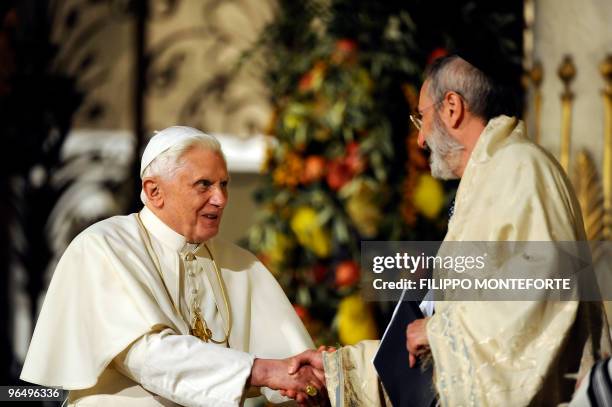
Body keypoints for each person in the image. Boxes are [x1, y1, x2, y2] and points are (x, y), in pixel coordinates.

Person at [288, 55, 611, 406]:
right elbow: (429, 326)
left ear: (452, 107)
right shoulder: (487, 179)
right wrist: (339, 372)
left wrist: (438, 332)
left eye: (421, 119)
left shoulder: (520, 167)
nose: (420, 140)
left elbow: (544, 291)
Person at [20, 126, 326, 406]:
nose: (220, 198)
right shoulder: (103, 247)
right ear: (154, 191)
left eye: (224, 184)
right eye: (203, 185)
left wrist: (317, 374)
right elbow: (146, 356)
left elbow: (284, 365)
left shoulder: (240, 264)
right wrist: (263, 371)